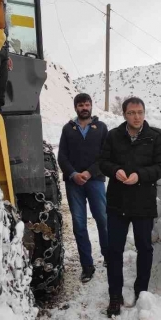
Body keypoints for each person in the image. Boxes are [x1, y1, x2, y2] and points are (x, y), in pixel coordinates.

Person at [99, 97, 161, 317]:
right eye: (131, 113)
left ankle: (141, 292)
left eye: (140, 112)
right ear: (124, 114)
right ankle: (115, 295)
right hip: (117, 202)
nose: (136, 116)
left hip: (143, 202)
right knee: (114, 251)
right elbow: (103, 162)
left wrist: (140, 175)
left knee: (145, 249)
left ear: (144, 113)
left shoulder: (154, 137)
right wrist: (115, 170)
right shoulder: (113, 136)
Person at [57, 94, 109, 282]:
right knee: (79, 224)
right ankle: (87, 266)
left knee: (102, 219)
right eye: (81, 105)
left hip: (95, 181)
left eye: (87, 104)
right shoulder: (68, 129)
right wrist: (73, 175)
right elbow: (62, 157)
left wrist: (88, 173)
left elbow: (106, 156)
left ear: (91, 106)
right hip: (74, 184)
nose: (84, 107)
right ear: (76, 107)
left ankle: (108, 256)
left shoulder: (101, 128)